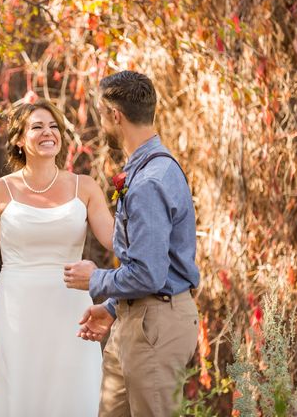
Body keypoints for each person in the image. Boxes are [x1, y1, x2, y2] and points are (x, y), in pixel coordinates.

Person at [64, 71, 201, 417]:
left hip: (157, 324)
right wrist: (112, 308)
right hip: (133, 319)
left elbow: (149, 274)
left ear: (115, 115)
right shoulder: (145, 170)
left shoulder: (150, 181)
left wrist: (94, 279)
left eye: (101, 112)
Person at [0, 99, 114, 416]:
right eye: (37, 127)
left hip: (73, 314)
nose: (48, 133)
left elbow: (118, 241)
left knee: (77, 399)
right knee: (21, 400)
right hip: (17, 315)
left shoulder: (84, 187)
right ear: (20, 139)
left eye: (53, 127)